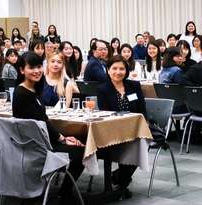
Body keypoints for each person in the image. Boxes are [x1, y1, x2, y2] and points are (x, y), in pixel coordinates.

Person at [12, 52, 84, 204]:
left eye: (39, 66)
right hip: (34, 145)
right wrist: (62, 139)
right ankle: (63, 193)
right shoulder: (21, 93)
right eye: (31, 67)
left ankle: (61, 192)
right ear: (22, 70)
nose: (37, 71)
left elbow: (43, 119)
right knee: (82, 151)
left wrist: (63, 137)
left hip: (40, 139)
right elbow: (39, 122)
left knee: (80, 141)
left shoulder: (33, 89)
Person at [96, 55, 147, 191]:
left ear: (126, 70)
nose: (118, 72)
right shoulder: (103, 89)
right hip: (114, 129)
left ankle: (121, 179)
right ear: (108, 70)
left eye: (122, 69)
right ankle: (122, 181)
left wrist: (142, 125)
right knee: (129, 145)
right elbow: (106, 114)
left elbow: (142, 109)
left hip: (136, 127)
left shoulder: (134, 85)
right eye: (114, 68)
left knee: (139, 143)